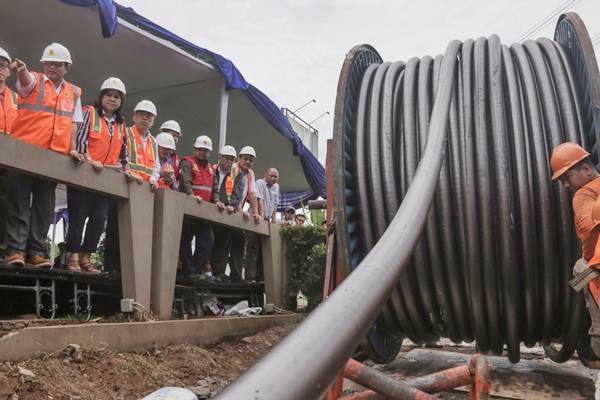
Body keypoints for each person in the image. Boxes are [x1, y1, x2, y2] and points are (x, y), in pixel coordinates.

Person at [5, 43, 83, 267]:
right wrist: (21, 70)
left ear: (66, 67)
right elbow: (25, 81)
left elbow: (73, 125)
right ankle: (16, 250)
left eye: (56, 64)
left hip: (52, 158)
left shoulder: (74, 92)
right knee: (18, 202)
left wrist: (73, 149)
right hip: (24, 151)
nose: (51, 67)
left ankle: (35, 251)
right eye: (47, 63)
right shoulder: (34, 80)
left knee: (44, 207)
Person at [66, 77, 129, 273]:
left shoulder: (121, 124)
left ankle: (86, 257)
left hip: (105, 180)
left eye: (117, 97)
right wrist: (90, 158)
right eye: (109, 95)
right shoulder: (89, 113)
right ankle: (73, 255)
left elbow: (123, 152)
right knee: (79, 215)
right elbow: (81, 138)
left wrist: (125, 168)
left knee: (99, 218)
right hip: (84, 173)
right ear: (101, 97)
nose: (112, 99)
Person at [550, 142, 600, 355]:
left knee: (581, 270)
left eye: (566, 177)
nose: (565, 185)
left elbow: (588, 234)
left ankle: (594, 339)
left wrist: (589, 262)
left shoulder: (584, 195)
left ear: (586, 169)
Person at [104, 99, 159, 273]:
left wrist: (154, 179)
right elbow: (118, 156)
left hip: (143, 193)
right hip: (123, 187)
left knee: (136, 233)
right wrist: (125, 172)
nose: (145, 119)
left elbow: (156, 166)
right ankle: (111, 267)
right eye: (142, 115)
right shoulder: (125, 132)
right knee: (116, 229)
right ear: (134, 116)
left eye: (149, 116)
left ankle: (128, 269)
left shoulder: (154, 142)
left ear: (153, 120)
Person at [178, 135, 215, 279]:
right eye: (200, 149)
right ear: (195, 149)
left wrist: (216, 200)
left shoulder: (211, 169)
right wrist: (191, 195)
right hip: (189, 208)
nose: (202, 152)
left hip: (204, 211)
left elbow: (215, 187)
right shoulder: (187, 162)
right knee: (185, 239)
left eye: (205, 150)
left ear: (209, 153)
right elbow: (185, 181)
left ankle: (197, 270)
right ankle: (189, 270)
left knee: (207, 240)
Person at [210, 145, 244, 281]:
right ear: (220, 158)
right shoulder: (212, 170)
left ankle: (219, 273)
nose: (229, 162)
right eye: (227, 159)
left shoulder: (238, 174)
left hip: (226, 214)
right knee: (210, 241)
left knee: (223, 243)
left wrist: (232, 205)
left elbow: (238, 193)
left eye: (231, 160)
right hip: (211, 210)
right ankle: (209, 271)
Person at [245, 167, 280, 283]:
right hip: (256, 218)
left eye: (275, 176)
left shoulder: (277, 187)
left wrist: (273, 222)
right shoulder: (259, 183)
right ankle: (250, 277)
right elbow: (260, 200)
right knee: (253, 248)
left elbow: (275, 205)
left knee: (263, 250)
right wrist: (261, 218)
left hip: (267, 221)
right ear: (266, 175)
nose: (273, 178)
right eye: (271, 176)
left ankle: (260, 278)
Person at [0, 46, 18, 260]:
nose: (0, 70)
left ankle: (3, 249)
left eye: (4, 66)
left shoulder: (14, 98)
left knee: (5, 203)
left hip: (9, 159)